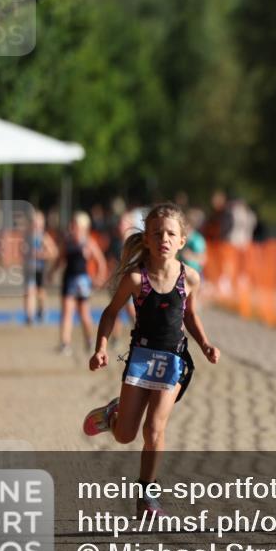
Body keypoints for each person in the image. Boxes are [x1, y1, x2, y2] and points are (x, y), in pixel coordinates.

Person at [83, 203, 220, 515]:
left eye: (171, 233)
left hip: (174, 359)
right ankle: (113, 415)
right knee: (125, 435)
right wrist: (101, 347)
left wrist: (206, 344)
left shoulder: (190, 278)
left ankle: (147, 495)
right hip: (142, 358)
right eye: (157, 233)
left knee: (154, 430)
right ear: (146, 239)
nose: (164, 239)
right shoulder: (135, 279)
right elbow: (109, 313)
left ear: (182, 241)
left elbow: (190, 315)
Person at [49, 211, 107, 354]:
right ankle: (65, 343)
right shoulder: (67, 242)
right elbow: (59, 260)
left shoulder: (88, 242)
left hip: (82, 282)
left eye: (75, 224)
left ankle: (89, 340)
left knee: (84, 314)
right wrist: (52, 272)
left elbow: (100, 261)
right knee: (67, 312)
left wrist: (100, 277)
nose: (72, 226)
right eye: (72, 224)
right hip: (68, 280)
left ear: (83, 226)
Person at [23, 210, 58, 325]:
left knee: (40, 292)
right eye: (34, 222)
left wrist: (40, 254)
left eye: (38, 222)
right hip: (29, 268)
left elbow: (53, 252)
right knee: (29, 291)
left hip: (40, 268)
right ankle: (29, 316)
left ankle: (42, 310)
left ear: (42, 224)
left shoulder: (43, 236)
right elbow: (22, 250)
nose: (36, 224)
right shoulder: (27, 235)